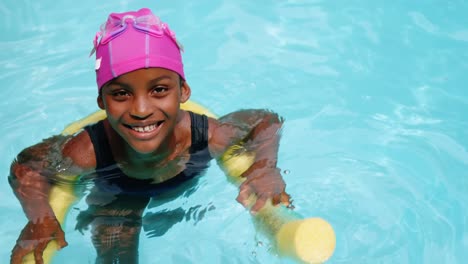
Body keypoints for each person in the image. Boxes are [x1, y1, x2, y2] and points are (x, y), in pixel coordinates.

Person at [8, 7, 291, 264]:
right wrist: (40, 217)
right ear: (101, 102)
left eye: (159, 90)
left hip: (182, 190)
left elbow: (265, 121)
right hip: (118, 195)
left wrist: (264, 168)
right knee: (116, 255)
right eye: (121, 94)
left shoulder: (208, 135)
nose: (141, 110)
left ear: (183, 92)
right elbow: (27, 166)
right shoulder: (87, 151)